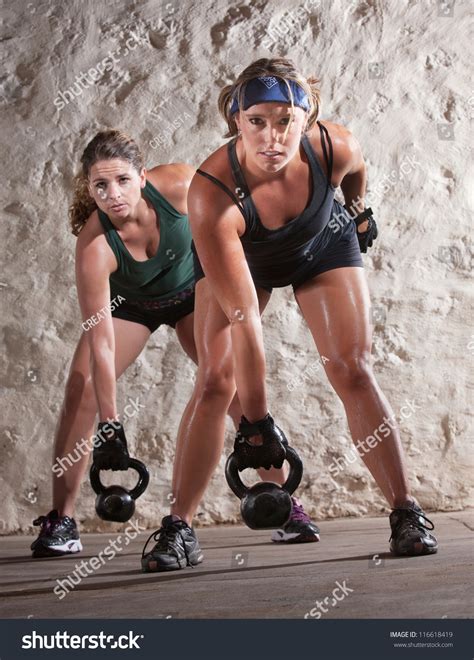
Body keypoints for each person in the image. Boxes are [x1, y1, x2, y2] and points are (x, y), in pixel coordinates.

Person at [141, 57, 437, 572]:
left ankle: (406, 513)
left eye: (285, 121)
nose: (272, 138)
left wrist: (359, 207)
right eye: (257, 121)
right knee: (216, 381)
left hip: (322, 246)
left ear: (308, 118)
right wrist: (256, 423)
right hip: (245, 260)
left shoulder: (333, 146)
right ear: (237, 118)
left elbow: (357, 170)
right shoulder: (210, 196)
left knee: (352, 369)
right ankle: (179, 529)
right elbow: (245, 321)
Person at [31, 128, 318, 559]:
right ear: (89, 189)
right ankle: (62, 520)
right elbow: (101, 339)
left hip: (194, 293)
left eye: (123, 181)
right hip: (131, 306)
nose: (112, 194)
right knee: (81, 384)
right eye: (100, 186)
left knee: (230, 386)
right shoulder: (94, 245)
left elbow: (239, 227)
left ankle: (284, 503)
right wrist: (111, 425)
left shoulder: (184, 186)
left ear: (143, 176)